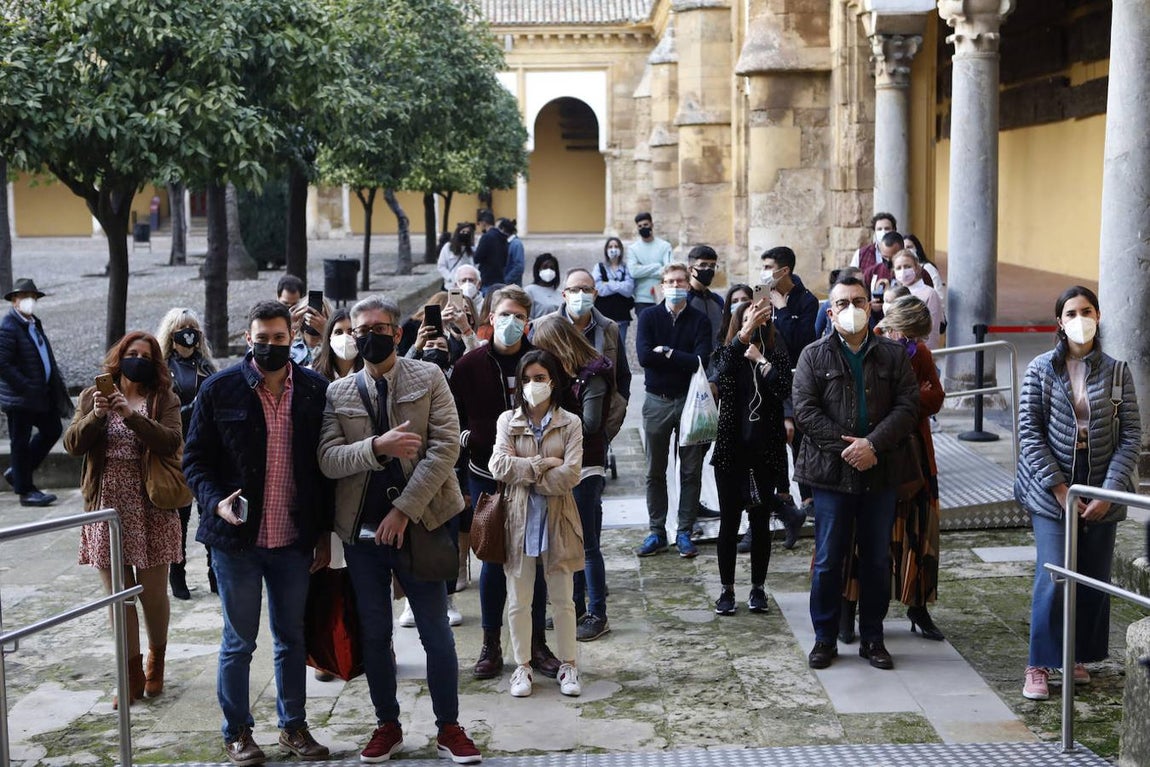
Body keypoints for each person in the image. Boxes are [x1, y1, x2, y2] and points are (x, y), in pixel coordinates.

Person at [317, 295, 482, 764]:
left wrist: (405, 510)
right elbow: (328, 460)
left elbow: (446, 448)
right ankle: (386, 724)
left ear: (397, 332)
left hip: (423, 523)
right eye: (359, 328)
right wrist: (376, 447)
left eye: (380, 327)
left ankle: (449, 727)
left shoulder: (428, 377)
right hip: (363, 533)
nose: (369, 335)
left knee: (436, 631)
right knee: (374, 633)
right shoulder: (338, 392)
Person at [183, 300, 332, 765]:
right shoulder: (219, 388)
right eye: (261, 339)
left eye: (279, 338)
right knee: (239, 641)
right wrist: (214, 501)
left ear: (293, 338)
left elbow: (323, 470)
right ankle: (238, 733)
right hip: (236, 542)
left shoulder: (313, 390)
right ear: (248, 339)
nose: (270, 346)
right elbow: (195, 461)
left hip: (292, 539)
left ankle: (293, 727)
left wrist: (324, 534)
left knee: (292, 637)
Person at [1015, 286, 1141, 701]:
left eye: (1086, 310)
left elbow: (1131, 435)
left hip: (1101, 480)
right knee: (1054, 573)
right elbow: (1029, 433)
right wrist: (1059, 487)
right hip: (1052, 484)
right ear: (1059, 321)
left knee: (1091, 573)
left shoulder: (1118, 371)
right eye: (1071, 312)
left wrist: (1110, 492)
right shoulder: (1039, 369)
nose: (1079, 318)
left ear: (1099, 316)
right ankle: (1038, 663)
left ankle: (1073, 655)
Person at [793, 276, 919, 671]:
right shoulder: (813, 355)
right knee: (829, 559)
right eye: (843, 302)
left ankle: (873, 638)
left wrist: (873, 445)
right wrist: (850, 449)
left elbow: (908, 405)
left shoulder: (893, 355)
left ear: (871, 306)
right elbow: (805, 411)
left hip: (880, 472)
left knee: (877, 560)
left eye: (859, 301)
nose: (852, 309)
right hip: (831, 474)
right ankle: (824, 638)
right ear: (830, 313)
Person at [63, 331, 183, 709]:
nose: (138, 360)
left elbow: (171, 442)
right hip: (107, 504)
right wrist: (98, 415)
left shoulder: (164, 398)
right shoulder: (91, 396)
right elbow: (72, 445)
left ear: (155, 362)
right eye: (132, 354)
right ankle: (129, 674)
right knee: (118, 596)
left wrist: (131, 417)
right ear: (119, 356)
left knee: (151, 594)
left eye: (146, 355)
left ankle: (156, 659)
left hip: (151, 504)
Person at [449, 286, 558, 680]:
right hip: (487, 476)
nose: (512, 322)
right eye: (504, 314)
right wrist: (469, 443)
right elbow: (451, 418)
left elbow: (563, 410)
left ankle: (535, 645)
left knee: (535, 559)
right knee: (493, 559)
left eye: (519, 316)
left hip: (534, 476)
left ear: (527, 321)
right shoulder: (468, 366)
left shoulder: (543, 362)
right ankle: (491, 644)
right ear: (490, 318)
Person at [489, 350, 585, 698]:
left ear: (553, 381)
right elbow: (498, 466)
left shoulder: (570, 422)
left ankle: (569, 664)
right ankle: (522, 667)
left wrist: (525, 472)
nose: (533, 384)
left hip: (558, 519)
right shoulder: (507, 421)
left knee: (563, 598)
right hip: (518, 520)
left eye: (540, 377)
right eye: (527, 378)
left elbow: (571, 474)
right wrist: (544, 463)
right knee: (518, 599)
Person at [530, 315, 614, 641]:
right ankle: (576, 607)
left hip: (587, 465)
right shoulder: (567, 376)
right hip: (565, 466)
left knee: (588, 545)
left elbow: (591, 424)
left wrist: (551, 413)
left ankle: (598, 614)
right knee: (570, 545)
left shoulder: (592, 375)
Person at [710, 300, 793, 616]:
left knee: (760, 523)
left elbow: (784, 387)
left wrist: (761, 360)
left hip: (765, 451)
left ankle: (758, 588)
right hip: (732, 452)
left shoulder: (774, 353)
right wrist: (743, 337)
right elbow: (722, 370)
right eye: (746, 319)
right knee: (729, 523)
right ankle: (726, 589)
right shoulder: (727, 352)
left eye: (758, 319)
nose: (753, 323)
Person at [871, 296, 946, 643]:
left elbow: (937, 397)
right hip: (881, 454)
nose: (914, 343)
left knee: (921, 533)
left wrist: (907, 402)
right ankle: (868, 609)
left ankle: (918, 606)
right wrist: (913, 399)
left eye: (918, 337)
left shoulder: (921, 354)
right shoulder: (872, 346)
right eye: (910, 334)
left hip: (917, 456)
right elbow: (877, 403)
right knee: (876, 536)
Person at [634, 263, 714, 559]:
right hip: (657, 400)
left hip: (690, 400)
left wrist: (665, 352)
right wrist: (680, 357)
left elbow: (699, 361)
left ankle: (684, 530)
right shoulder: (649, 317)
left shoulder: (699, 320)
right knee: (655, 469)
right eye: (670, 281)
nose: (675, 285)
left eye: (680, 280)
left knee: (691, 469)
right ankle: (656, 530)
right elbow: (643, 356)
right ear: (661, 286)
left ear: (687, 283)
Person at [156, 308, 218, 600]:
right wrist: (194, 408)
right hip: (177, 447)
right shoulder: (161, 370)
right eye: (182, 328)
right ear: (171, 332)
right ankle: (176, 571)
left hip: (207, 447)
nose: (188, 333)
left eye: (192, 327)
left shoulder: (207, 366)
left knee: (211, 513)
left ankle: (214, 570)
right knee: (179, 517)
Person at [760, 246, 821, 521]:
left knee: (797, 435)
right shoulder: (761, 293)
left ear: (784, 270)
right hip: (767, 375)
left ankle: (807, 496)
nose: (763, 272)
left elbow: (801, 340)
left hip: (796, 376)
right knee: (773, 438)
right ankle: (782, 494)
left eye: (768, 266)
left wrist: (783, 310)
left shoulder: (806, 300)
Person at [0, 278, 70, 507]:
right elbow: (3, 364)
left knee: (52, 429)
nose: (29, 300)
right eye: (24, 296)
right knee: (19, 442)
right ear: (14, 300)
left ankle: (19, 473)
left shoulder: (32, 323)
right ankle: (26, 490)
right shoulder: (9, 326)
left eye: (32, 296)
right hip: (21, 397)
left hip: (39, 394)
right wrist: (26, 386)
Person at [551, 267, 632, 403]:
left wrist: (619, 406)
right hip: (557, 416)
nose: (581, 294)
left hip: (601, 415)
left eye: (586, 289)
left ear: (595, 294)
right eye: (574, 290)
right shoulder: (543, 327)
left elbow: (622, 374)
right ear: (564, 295)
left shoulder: (610, 328)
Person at [891, 251, 944, 350]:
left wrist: (925, 354)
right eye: (898, 268)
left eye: (907, 266)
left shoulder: (929, 293)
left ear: (916, 267)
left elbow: (932, 331)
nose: (903, 271)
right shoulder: (893, 294)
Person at [626, 212, 673, 315]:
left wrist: (642, 269)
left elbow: (669, 271)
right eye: (640, 226)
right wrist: (657, 266)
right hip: (641, 298)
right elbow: (633, 272)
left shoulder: (665, 246)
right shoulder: (633, 249)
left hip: (662, 296)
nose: (643, 228)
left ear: (652, 224)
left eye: (646, 225)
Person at [593, 236, 636, 348]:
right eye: (610, 246)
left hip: (622, 314)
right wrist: (619, 285)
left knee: (620, 348)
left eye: (616, 246)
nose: (613, 249)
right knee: (602, 348)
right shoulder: (599, 267)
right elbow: (599, 289)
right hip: (603, 316)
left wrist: (608, 283)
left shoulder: (626, 268)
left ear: (621, 249)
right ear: (606, 249)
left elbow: (629, 290)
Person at [685, 245, 725, 351]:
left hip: (716, 360)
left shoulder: (718, 300)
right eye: (703, 265)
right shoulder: (684, 300)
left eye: (712, 265)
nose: (708, 269)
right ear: (691, 269)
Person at [311, 308, 362, 383]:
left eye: (351, 331)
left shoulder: (370, 374)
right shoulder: (312, 374)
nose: (345, 337)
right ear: (330, 336)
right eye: (338, 332)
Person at [862, 232, 905, 312]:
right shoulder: (871, 272)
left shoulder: (914, 273)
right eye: (885, 257)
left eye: (893, 257)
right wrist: (871, 305)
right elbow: (862, 300)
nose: (888, 261)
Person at [814, 267, 862, 339]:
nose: (862, 285)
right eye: (858, 281)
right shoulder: (827, 305)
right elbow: (816, 333)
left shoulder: (864, 305)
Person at [472, 209, 507, 295]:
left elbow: (477, 258)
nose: (479, 227)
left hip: (487, 278)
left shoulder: (486, 237)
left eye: (479, 224)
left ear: (484, 222)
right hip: (500, 277)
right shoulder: (502, 236)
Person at [436, 222, 476, 291]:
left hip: (468, 287)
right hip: (452, 287)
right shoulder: (448, 247)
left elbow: (475, 266)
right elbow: (441, 266)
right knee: (455, 301)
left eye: (468, 232)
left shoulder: (473, 249)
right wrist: (450, 278)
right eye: (463, 232)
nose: (465, 234)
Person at [525, 253, 563, 320]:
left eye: (552, 268)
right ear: (538, 269)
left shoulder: (561, 294)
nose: (548, 270)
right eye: (545, 267)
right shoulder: (529, 291)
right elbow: (527, 318)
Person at [500, 218, 525, 286]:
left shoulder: (516, 244)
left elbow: (519, 267)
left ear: (503, 230)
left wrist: (506, 281)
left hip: (512, 285)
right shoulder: (505, 243)